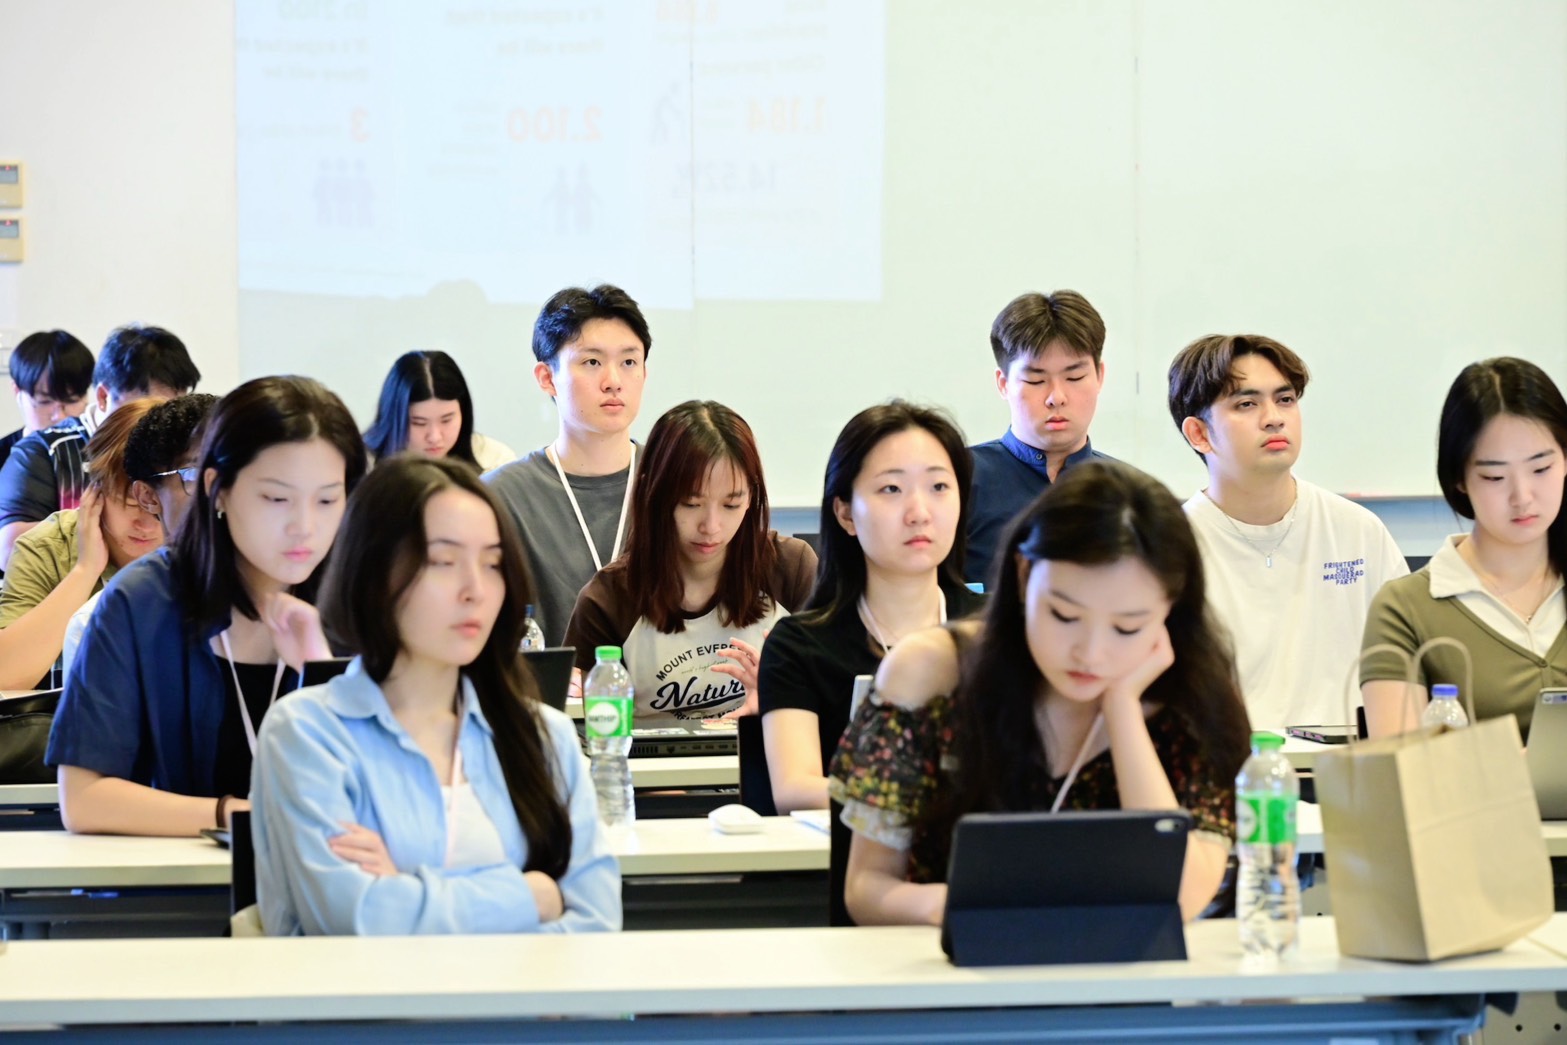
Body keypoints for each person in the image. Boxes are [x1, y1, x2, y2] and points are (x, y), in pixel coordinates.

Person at [830, 460, 1251, 926]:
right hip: (957, 960)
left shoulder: (1193, 698)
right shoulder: (933, 674)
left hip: (1129, 968)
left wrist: (1122, 710)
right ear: (1024, 574)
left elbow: (1182, 896)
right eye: (1065, 616)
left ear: (1170, 610)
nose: (1090, 653)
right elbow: (866, 889)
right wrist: (974, 908)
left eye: (1127, 628)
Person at [251, 456, 620, 935]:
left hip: (522, 992)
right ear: (375, 574)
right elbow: (356, 921)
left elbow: (597, 922)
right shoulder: (307, 734)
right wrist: (535, 895)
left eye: (492, 564)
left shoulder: (542, 734)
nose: (476, 590)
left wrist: (404, 890)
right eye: (444, 562)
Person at [47, 376, 366, 836]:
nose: (304, 526)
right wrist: (240, 817)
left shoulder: (360, 601)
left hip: (329, 873)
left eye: (327, 500)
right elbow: (83, 800)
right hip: (179, 875)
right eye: (277, 498)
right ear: (218, 488)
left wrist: (320, 668)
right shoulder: (142, 601)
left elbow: (399, 789)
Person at [758, 401, 984, 924]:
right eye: (891, 489)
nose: (919, 511)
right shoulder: (800, 643)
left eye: (939, 486)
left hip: (984, 878)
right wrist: (923, 803)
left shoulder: (996, 631)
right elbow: (794, 788)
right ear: (844, 513)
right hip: (854, 895)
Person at [1168, 334, 1406, 729]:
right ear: (1199, 434)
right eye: (1246, 404)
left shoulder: (1359, 531)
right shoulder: (1170, 547)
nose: (1274, 418)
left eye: (1285, 399)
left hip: (1348, 760)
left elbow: (1408, 670)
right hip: (1232, 762)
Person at [565, 401, 816, 725]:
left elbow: (837, 694)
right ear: (653, 493)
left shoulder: (791, 569)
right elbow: (591, 728)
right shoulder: (609, 599)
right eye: (691, 503)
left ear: (751, 497)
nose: (711, 526)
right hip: (647, 760)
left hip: (766, 754)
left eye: (731, 504)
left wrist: (779, 702)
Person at [1362, 357, 1567, 737]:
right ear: (1459, 478)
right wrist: (1522, 762)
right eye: (1494, 476)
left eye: (1541, 469)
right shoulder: (1406, 609)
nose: (1522, 496)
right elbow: (1400, 763)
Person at [485, 285, 651, 647]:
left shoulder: (677, 481)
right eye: (592, 362)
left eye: (628, 362)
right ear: (547, 378)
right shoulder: (500, 497)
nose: (613, 382)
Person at [0, 324, 200, 569]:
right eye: (150, 409)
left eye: (174, 410)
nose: (165, 423)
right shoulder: (44, 451)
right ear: (104, 397)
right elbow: (10, 552)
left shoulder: (185, 449)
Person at [0, 398, 161, 689]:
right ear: (95, 490)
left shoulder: (207, 542)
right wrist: (85, 570)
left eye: (159, 508)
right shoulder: (49, 546)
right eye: (129, 503)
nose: (146, 524)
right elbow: (6, 676)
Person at [60, 393, 219, 675]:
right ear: (147, 496)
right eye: (193, 475)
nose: (219, 494)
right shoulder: (108, 620)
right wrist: (86, 569)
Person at [965, 290, 1114, 585]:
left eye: (1074, 378)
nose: (1056, 397)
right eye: (1035, 380)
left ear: (1099, 376)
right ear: (1003, 383)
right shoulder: (958, 479)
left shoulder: (1130, 492)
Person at [362, 350, 515, 472]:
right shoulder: (362, 465)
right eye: (419, 423)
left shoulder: (494, 461)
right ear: (393, 417)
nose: (435, 437)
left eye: (446, 420)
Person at [1, 329, 94, 471]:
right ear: (17, 391)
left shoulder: (104, 455)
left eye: (72, 400)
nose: (60, 417)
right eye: (45, 401)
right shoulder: (4, 458)